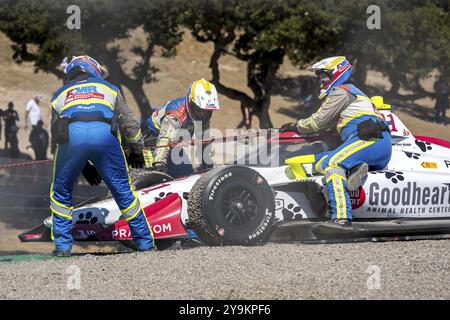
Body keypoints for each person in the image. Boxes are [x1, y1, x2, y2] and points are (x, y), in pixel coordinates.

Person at [49, 55, 153, 256]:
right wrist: (137, 146)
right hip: (104, 136)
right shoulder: (109, 88)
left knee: (61, 191)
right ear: (94, 70)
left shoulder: (59, 94)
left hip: (72, 138)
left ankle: (63, 247)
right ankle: (145, 244)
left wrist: (77, 162)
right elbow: (129, 122)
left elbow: (56, 132)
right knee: (123, 191)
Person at [280, 56, 392, 230]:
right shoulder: (352, 92)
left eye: (324, 76)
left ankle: (341, 218)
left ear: (337, 73)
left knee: (332, 163)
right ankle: (354, 169)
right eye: (319, 78)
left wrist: (296, 126)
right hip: (373, 143)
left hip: (370, 140)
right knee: (321, 160)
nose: (321, 81)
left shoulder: (342, 91)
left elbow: (319, 121)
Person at [145, 78, 220, 177]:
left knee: (187, 175)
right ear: (191, 103)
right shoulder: (176, 114)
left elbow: (204, 140)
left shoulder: (204, 116)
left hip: (174, 146)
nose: (203, 114)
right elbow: (164, 140)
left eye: (207, 111)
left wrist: (207, 165)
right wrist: (159, 165)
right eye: (200, 110)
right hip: (153, 144)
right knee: (155, 179)